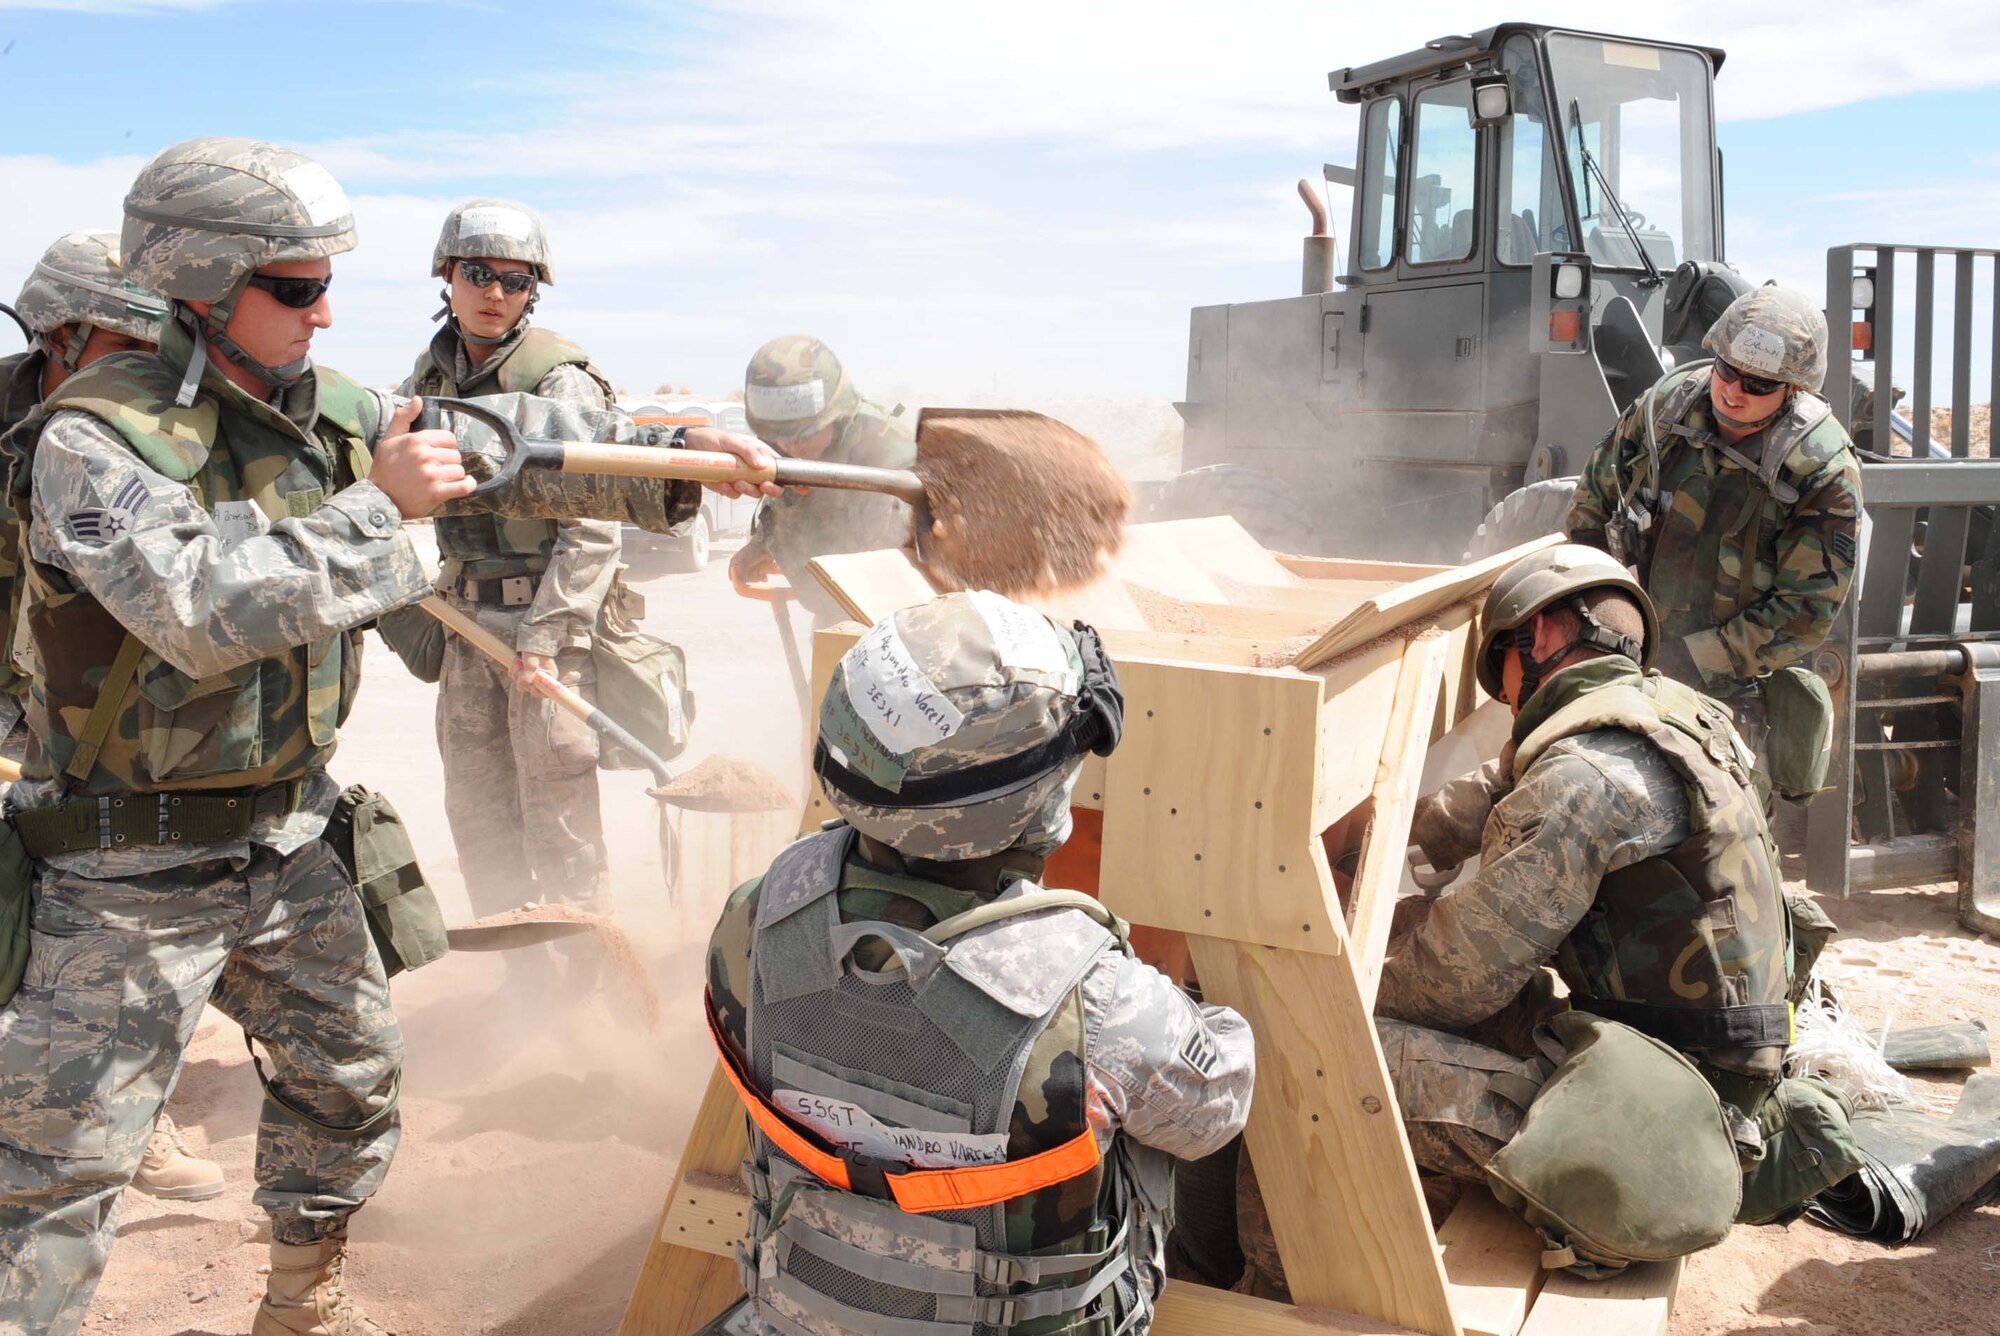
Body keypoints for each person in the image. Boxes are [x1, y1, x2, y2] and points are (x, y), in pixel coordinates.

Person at [0, 137, 774, 1336]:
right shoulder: (92, 437)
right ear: (202, 286)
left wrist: (680, 462)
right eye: (295, 288)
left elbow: (500, 441)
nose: (323, 312)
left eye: (325, 286)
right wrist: (381, 507)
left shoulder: (315, 411)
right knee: (63, 1162)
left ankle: (302, 1302)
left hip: (286, 839)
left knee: (350, 1079)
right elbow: (201, 608)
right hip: (126, 868)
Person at [705, 591, 1254, 1335]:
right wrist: (1209, 1017)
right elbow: (1212, 1113)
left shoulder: (758, 919)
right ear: (1033, 803)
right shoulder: (1094, 997)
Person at [1373, 544, 1860, 1276]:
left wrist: (1339, 974)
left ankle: (1278, 1293)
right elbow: (1490, 788)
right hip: (1690, 1071)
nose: (1506, 701)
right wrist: (1370, 849)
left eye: (1501, 674)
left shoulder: (1584, 778)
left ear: (1537, 637)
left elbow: (1454, 982)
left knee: (1331, 1050)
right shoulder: (1671, 716)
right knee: (1425, 966)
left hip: (1664, 1128)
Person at [0, 232, 230, 1207]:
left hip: (74, 709)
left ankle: (130, 1125)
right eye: (131, 349)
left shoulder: (160, 429)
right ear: (63, 335)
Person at [403, 200, 619, 919]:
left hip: (542, 626)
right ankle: (514, 980)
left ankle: (586, 978)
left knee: (556, 807)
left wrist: (549, 637)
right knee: (477, 808)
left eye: (515, 280)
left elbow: (594, 525)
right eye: (477, 274)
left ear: (533, 290)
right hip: (465, 621)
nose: (494, 293)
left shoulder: (559, 380)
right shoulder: (428, 380)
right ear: (447, 275)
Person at [1564, 285, 1861, 765]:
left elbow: (1803, 613)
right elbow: (1590, 511)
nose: (1734, 392)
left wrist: (1688, 661)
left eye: (1759, 384)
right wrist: (1603, 621)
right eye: (1727, 371)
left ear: (1795, 391)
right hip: (1629, 655)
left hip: (1733, 697)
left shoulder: (1822, 472)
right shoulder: (1664, 410)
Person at [728, 335, 916, 625]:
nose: (793, 446)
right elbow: (787, 502)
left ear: (838, 412)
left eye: (806, 433)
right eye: (782, 436)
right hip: (835, 614)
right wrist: (761, 544)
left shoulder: (886, 451)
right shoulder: (783, 448)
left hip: (893, 623)